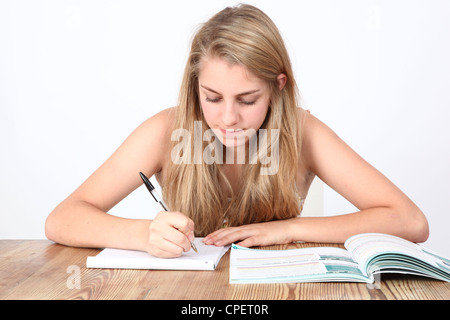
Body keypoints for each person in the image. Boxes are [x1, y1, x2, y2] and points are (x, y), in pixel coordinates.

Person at [45, 4, 429, 258]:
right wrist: (144, 235)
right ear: (195, 85)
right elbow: (62, 218)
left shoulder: (303, 131)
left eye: (247, 100)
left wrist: (287, 230)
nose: (228, 118)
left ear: (278, 86)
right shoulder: (165, 130)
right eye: (212, 97)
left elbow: (410, 221)